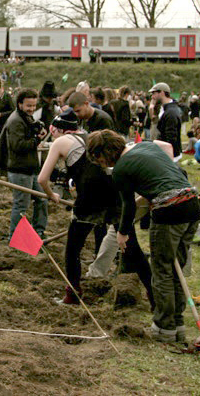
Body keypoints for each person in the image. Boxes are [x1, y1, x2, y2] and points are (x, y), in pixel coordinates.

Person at [87, 130, 200, 344]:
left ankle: (164, 328)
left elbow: (128, 206)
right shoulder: (146, 146)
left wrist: (122, 233)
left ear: (105, 152)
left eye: (99, 158)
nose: (101, 164)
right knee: (176, 270)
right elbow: (173, 174)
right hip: (192, 205)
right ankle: (178, 325)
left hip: (168, 212)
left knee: (162, 271)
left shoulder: (121, 169)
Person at [38, 113, 153, 307]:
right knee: (133, 249)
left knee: (73, 248)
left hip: (89, 199)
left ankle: (72, 294)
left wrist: (51, 194)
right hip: (115, 194)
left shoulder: (60, 142)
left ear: (56, 130)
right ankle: (153, 293)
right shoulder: (89, 137)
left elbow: (42, 179)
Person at [0, 88, 49, 238]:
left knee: (42, 199)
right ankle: (15, 236)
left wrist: (35, 129)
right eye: (28, 106)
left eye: (34, 106)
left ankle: (38, 231)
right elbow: (17, 146)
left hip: (30, 169)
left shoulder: (26, 118)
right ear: (20, 104)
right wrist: (37, 139)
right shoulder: (15, 121)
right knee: (21, 205)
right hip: (20, 170)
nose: (32, 109)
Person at [151, 82, 182, 160]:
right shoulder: (165, 108)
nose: (152, 97)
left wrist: (168, 158)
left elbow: (171, 138)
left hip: (169, 155)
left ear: (161, 93)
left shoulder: (171, 112)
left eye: (154, 93)